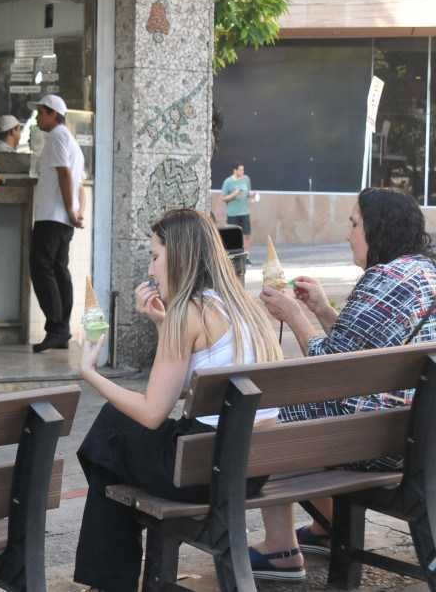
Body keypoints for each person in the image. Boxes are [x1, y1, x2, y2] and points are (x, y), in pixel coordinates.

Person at [74, 209, 284, 591]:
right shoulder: (242, 307)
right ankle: (108, 580)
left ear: (181, 255)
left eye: (155, 257)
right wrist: (161, 325)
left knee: (110, 430)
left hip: (206, 472)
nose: (151, 271)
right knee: (113, 444)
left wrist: (89, 372)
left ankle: (109, 581)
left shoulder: (188, 312)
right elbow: (192, 390)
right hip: (252, 470)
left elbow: (153, 413)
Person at [251, 188, 436, 581]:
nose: (349, 233)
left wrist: (294, 313)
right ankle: (326, 527)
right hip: (419, 437)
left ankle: (280, 546)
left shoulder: (384, 278)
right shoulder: (423, 273)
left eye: (354, 223)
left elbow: (330, 370)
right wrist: (322, 309)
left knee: (265, 415)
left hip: (378, 445)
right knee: (312, 418)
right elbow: (367, 352)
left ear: (377, 228)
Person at [29, 94, 87, 352]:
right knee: (59, 271)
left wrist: (70, 211)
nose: (37, 118)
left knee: (42, 269)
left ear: (53, 114)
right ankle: (60, 330)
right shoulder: (71, 141)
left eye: (41, 113)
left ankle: (57, 328)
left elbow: (65, 174)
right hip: (62, 217)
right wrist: (76, 212)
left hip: (52, 217)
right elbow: (80, 185)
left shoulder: (56, 137)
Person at [221, 163, 253, 252]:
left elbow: (248, 193)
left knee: (247, 235)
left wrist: (252, 195)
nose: (242, 172)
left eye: (243, 170)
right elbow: (223, 198)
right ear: (235, 170)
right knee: (232, 235)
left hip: (245, 212)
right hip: (232, 214)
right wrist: (234, 194)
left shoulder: (246, 179)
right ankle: (232, 255)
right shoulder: (228, 182)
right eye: (240, 170)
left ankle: (247, 257)